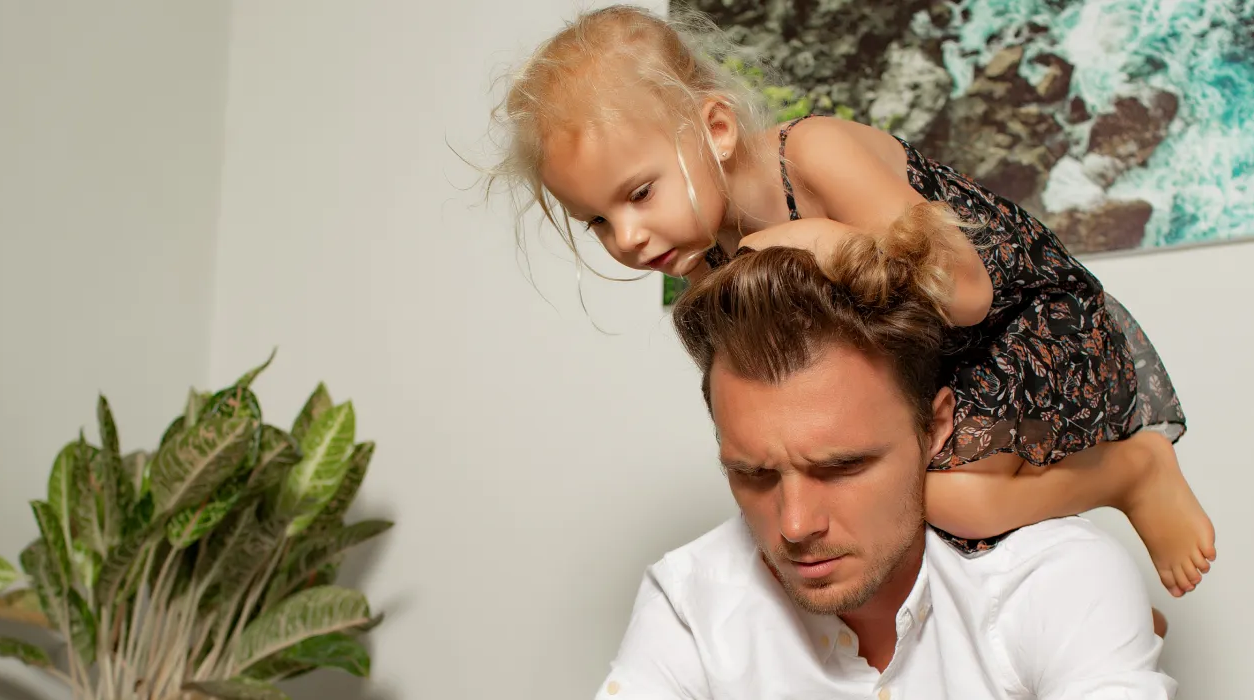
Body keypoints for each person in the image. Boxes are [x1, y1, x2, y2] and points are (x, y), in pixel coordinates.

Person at [484, 5, 1213, 597]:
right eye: (598, 221)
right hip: (930, 368)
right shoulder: (708, 253)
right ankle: (1089, 615)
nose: (628, 238)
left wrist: (828, 240)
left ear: (715, 128)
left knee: (952, 502)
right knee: (886, 516)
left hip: (1019, 324)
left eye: (640, 193)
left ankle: (1132, 472)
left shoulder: (813, 156)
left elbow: (968, 295)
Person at [594, 244, 1174, 699]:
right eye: (754, 474)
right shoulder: (691, 600)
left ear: (935, 427)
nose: (795, 525)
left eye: (842, 466)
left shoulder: (1054, 579)